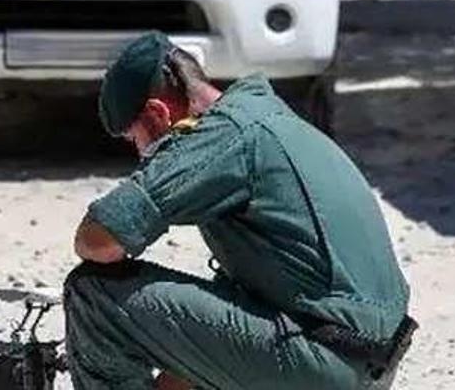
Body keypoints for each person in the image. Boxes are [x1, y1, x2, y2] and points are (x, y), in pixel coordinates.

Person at [64, 32, 415, 390]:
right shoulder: (268, 118)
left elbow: (98, 240)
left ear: (158, 114)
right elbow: (229, 323)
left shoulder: (224, 137)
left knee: (94, 294)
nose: (137, 151)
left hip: (324, 360)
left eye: (133, 138)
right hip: (364, 360)